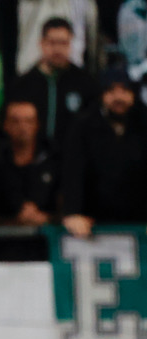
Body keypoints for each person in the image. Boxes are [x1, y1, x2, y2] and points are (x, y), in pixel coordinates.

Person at [61, 68, 147, 238]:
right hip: (93, 222)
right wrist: (72, 213)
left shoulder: (143, 123)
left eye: (124, 90)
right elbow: (73, 171)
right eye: (111, 91)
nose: (118, 97)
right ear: (102, 94)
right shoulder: (83, 125)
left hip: (139, 221)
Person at [4, 17, 98, 159]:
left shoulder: (84, 83)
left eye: (63, 43)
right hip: (33, 164)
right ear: (41, 44)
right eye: (52, 43)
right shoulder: (22, 84)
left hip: (73, 162)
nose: (58, 49)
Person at [0, 100, 57, 225]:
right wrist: (14, 222)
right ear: (5, 125)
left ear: (37, 125)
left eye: (28, 121)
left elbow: (66, 208)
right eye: (16, 121)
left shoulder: (54, 164)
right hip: (4, 240)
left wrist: (47, 218)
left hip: (47, 240)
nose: (22, 127)